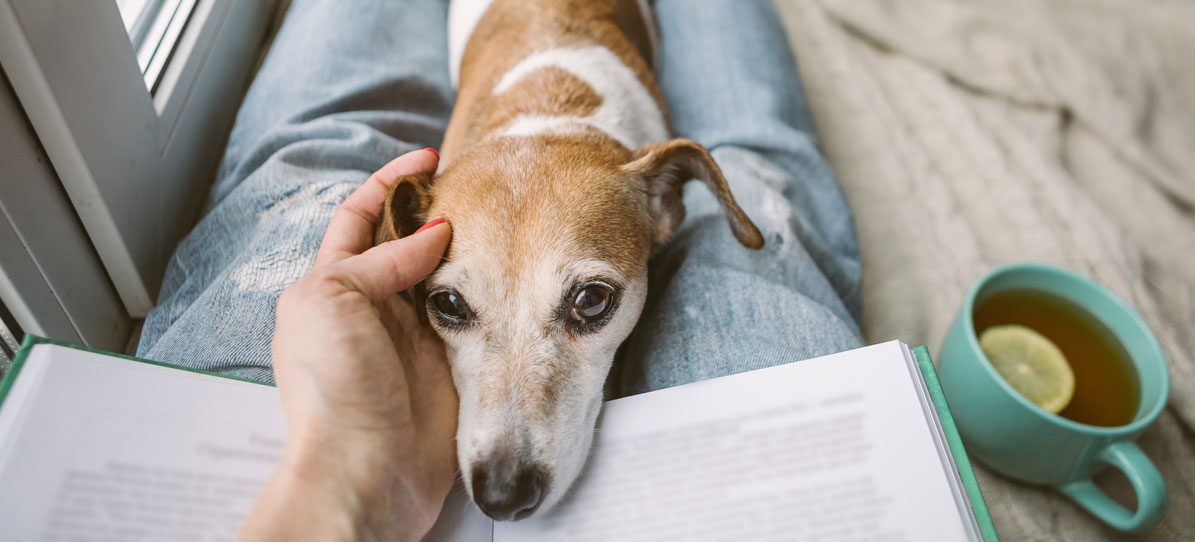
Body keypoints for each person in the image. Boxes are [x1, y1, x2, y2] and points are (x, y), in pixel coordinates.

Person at [137, 0, 864, 538]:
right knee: (760, 157)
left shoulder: (651, 189)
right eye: (453, 307)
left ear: (669, 196)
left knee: (315, 148)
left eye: (586, 303)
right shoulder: (433, 202)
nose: (503, 451)